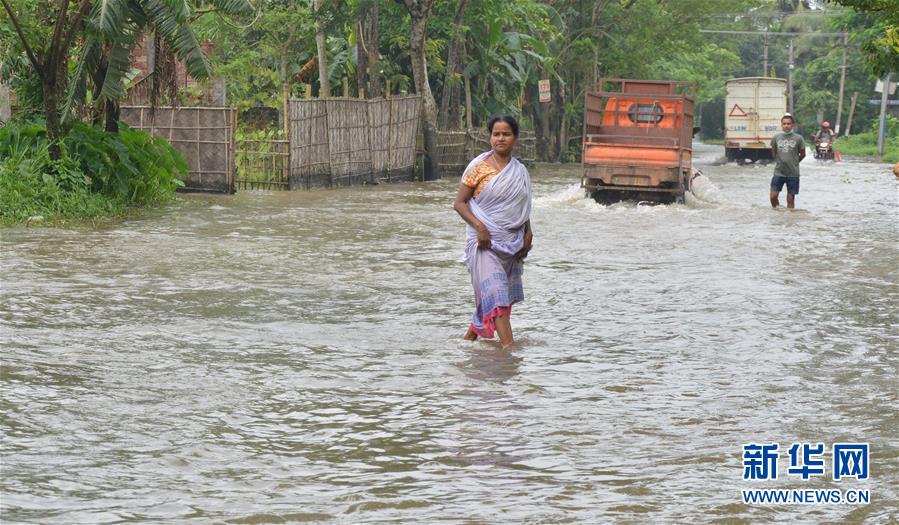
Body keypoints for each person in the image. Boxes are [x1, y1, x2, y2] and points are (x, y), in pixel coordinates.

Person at [453, 115, 533, 349]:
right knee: (497, 295)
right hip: (483, 243)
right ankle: (509, 351)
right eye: (496, 134)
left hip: (511, 243)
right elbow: (460, 203)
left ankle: (467, 343)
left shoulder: (520, 171)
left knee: (493, 295)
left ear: (515, 138)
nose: (500, 138)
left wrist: (528, 233)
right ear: (490, 138)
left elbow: (522, 206)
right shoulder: (478, 168)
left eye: (506, 134)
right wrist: (480, 227)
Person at [770, 113, 806, 209]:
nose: (786, 126)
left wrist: (795, 162)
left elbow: (803, 154)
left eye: (789, 124)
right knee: (773, 196)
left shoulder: (799, 138)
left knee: (790, 199)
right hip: (779, 172)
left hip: (793, 173)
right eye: (784, 124)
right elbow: (773, 149)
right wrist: (777, 159)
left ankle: (790, 220)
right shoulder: (776, 137)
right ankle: (777, 212)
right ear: (781, 125)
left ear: (792, 125)